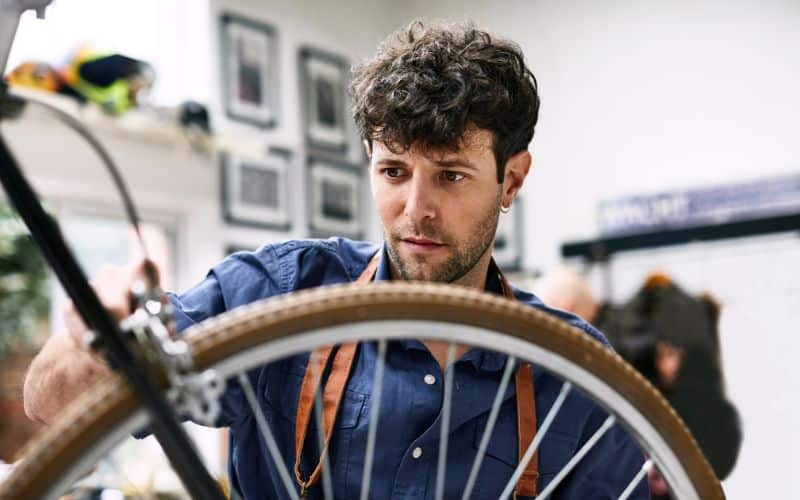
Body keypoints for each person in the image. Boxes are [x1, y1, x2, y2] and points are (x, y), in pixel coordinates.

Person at [23, 21, 648, 499]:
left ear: (511, 180)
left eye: (451, 177)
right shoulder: (276, 296)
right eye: (394, 171)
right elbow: (47, 405)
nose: (415, 209)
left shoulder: (575, 374)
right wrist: (89, 339)